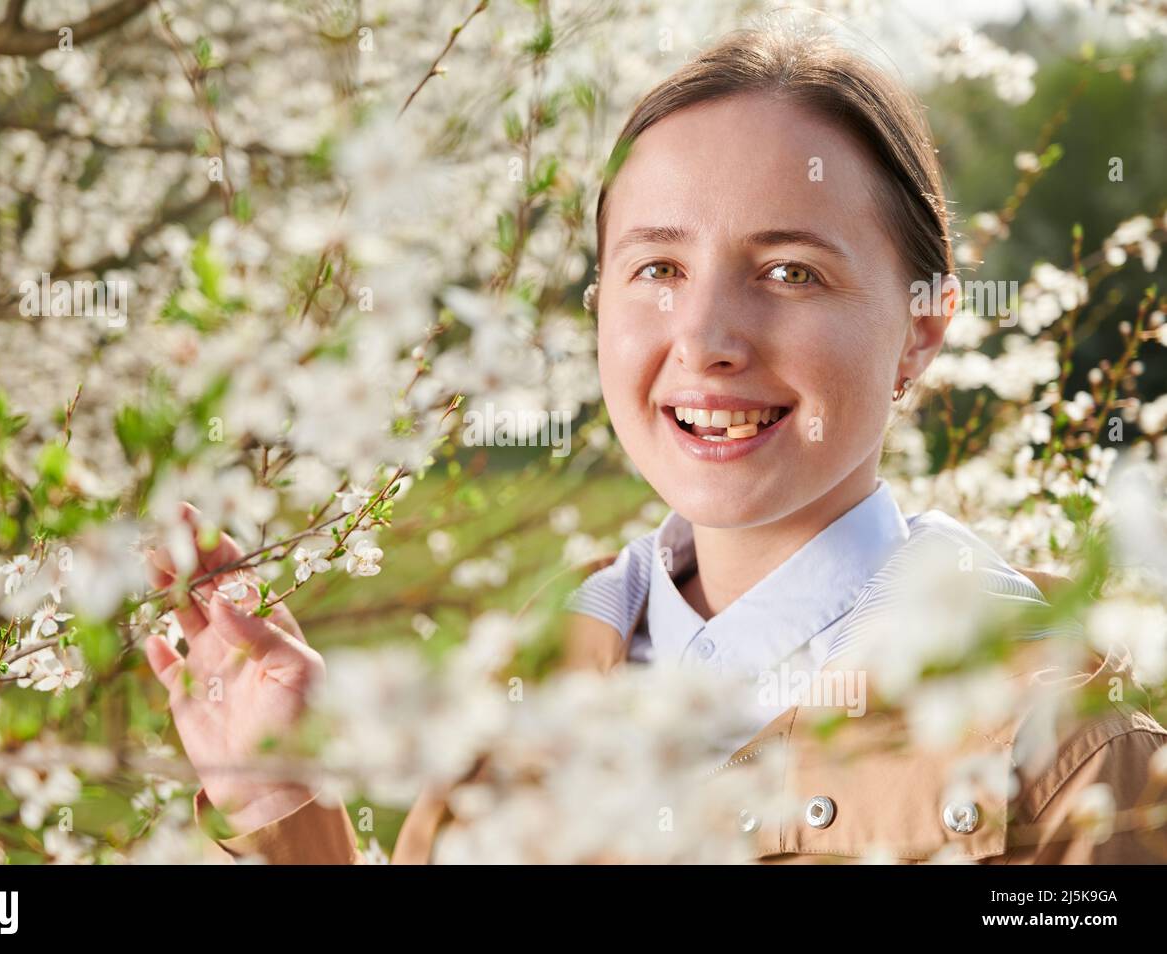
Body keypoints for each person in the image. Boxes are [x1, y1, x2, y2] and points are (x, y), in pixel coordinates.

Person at [145, 26, 1167, 864]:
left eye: (790, 272)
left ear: (923, 327)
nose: (707, 340)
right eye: (657, 270)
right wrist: (281, 803)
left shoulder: (1062, 745)